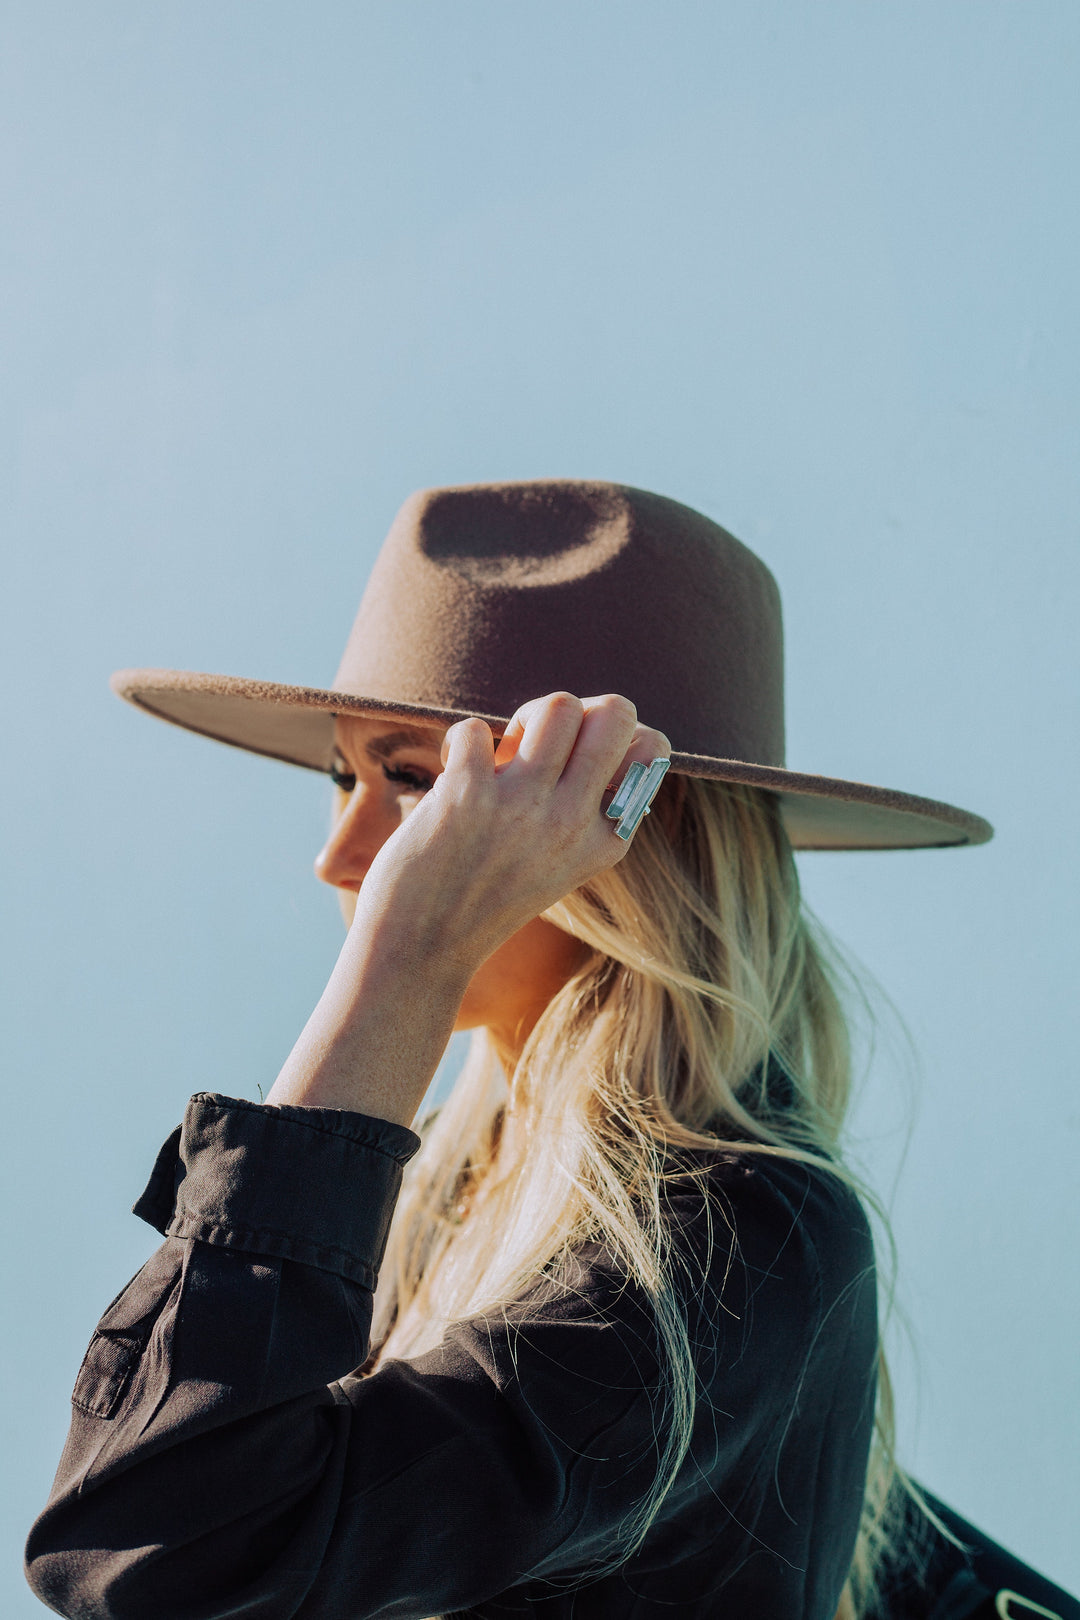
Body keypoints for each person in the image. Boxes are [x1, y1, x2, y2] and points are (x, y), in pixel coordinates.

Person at [25, 482, 1075, 1620]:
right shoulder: (442, 1200)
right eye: (345, 777)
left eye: (422, 781)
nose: (344, 857)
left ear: (630, 831)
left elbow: (153, 1550)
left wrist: (405, 964)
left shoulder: (739, 1235)